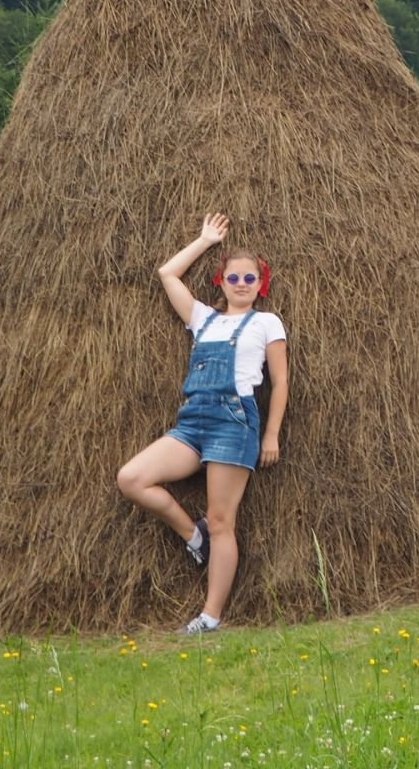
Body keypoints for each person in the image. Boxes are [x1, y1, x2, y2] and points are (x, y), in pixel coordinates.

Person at [116, 212, 289, 634]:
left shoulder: (267, 323)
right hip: (193, 422)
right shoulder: (201, 318)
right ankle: (193, 536)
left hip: (234, 421)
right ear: (221, 282)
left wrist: (271, 433)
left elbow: (280, 381)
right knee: (132, 478)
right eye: (234, 278)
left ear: (260, 285)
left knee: (222, 520)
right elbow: (167, 273)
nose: (242, 285)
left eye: (250, 279)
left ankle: (210, 615)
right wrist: (205, 240)